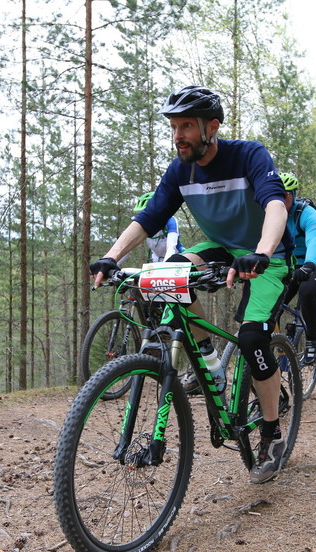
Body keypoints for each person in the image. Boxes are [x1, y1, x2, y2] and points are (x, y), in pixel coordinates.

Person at [88, 86, 293, 484]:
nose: (177, 134)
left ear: (211, 127)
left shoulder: (249, 154)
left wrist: (263, 252)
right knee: (162, 278)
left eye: (186, 126)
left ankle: (271, 432)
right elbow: (150, 217)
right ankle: (210, 363)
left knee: (252, 340)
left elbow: (273, 203)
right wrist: (112, 257)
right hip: (218, 248)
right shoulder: (181, 170)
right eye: (173, 126)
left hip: (267, 256)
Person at [279, 173, 316, 363]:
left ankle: (311, 341)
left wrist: (309, 265)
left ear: (292, 194)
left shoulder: (308, 214)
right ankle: (272, 345)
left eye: (284, 195)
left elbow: (314, 241)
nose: (280, 199)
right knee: (271, 303)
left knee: (307, 292)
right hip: (289, 266)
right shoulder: (271, 213)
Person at [134, 192, 184, 262]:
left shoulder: (170, 221)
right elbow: (126, 248)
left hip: (175, 258)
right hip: (156, 259)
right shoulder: (143, 224)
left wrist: (164, 267)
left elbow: (171, 248)